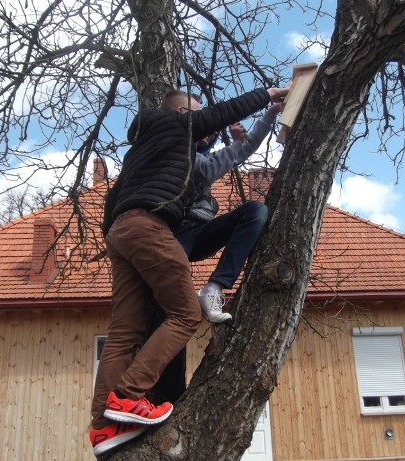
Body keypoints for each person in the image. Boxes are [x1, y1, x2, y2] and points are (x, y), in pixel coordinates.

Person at [89, 85, 289, 456]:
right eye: (196, 116)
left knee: (123, 332)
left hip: (120, 233)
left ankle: (103, 427)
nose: (205, 124)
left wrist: (118, 238)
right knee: (184, 313)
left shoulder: (144, 152)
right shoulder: (173, 126)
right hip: (149, 228)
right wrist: (271, 95)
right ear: (183, 116)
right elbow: (214, 119)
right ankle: (128, 396)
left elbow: (232, 149)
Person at [176, 102, 283, 323]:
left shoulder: (203, 155)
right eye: (207, 127)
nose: (211, 133)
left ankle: (214, 288)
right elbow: (208, 169)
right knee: (173, 297)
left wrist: (270, 114)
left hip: (199, 232)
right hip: (173, 233)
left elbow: (244, 150)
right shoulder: (179, 151)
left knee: (255, 211)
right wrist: (238, 143)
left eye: (215, 131)